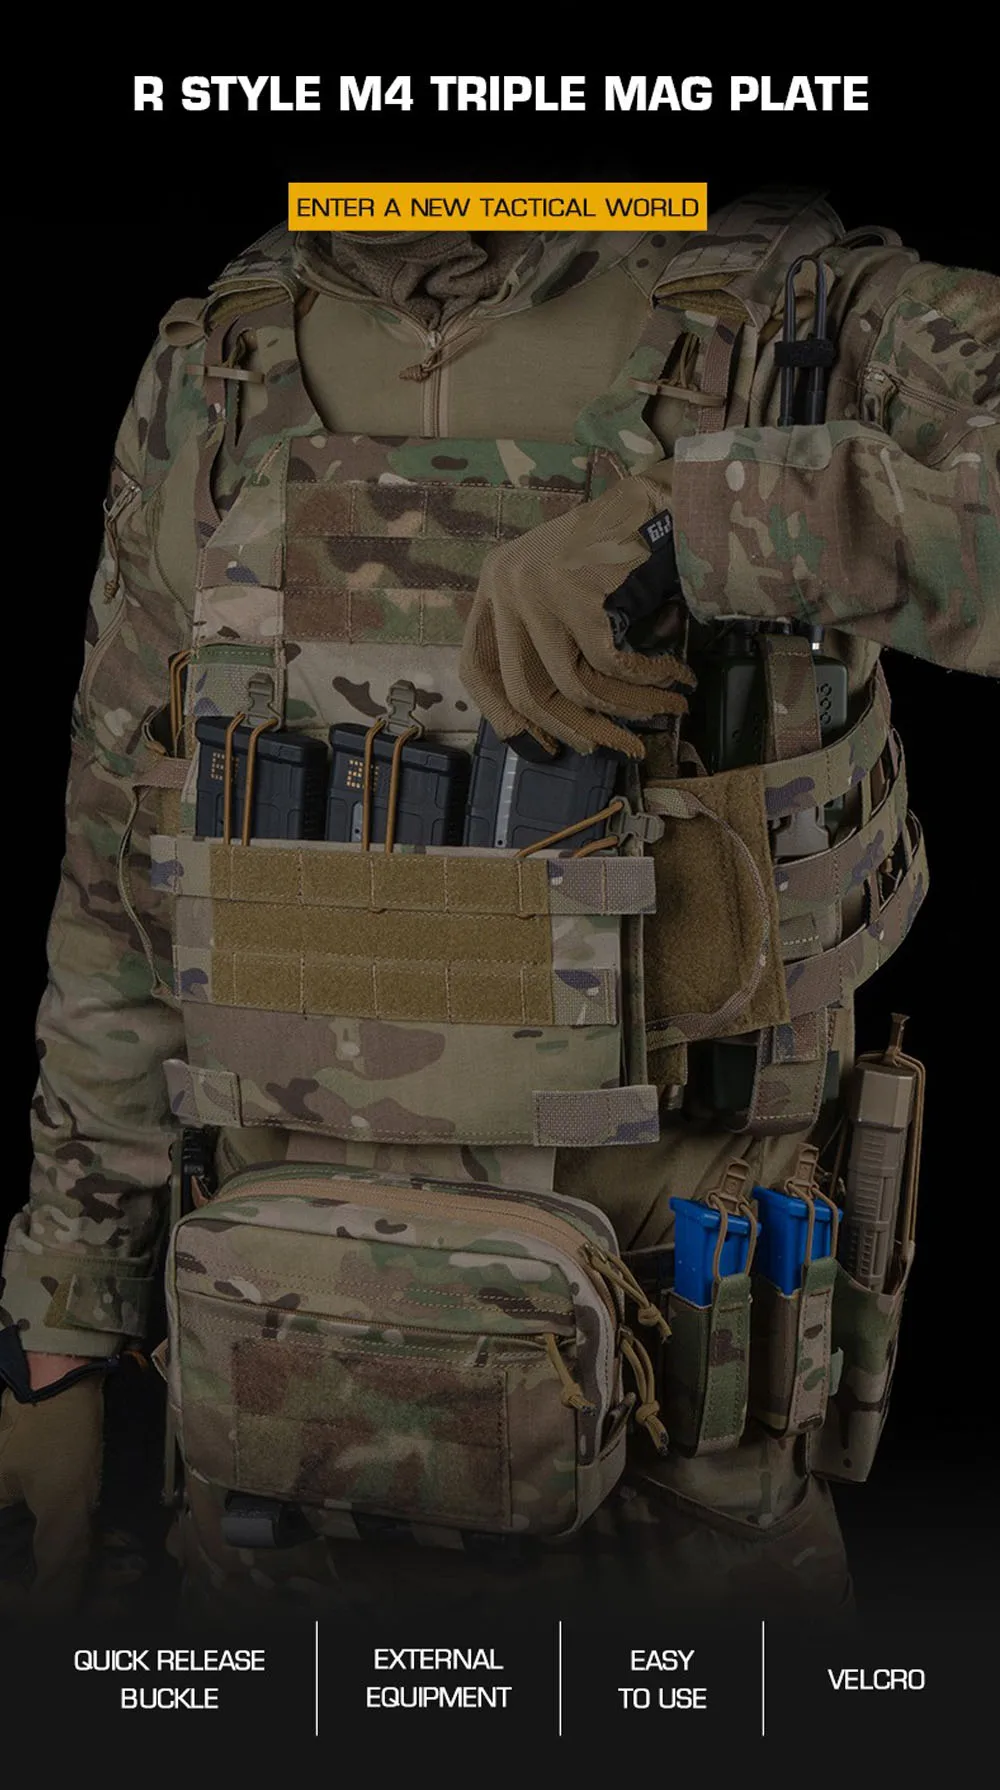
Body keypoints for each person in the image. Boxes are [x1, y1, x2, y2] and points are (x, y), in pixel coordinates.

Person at [1, 194, 997, 1617]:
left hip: (682, 1472)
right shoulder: (216, 362)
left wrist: (690, 523)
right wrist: (62, 1328)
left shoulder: (813, 316)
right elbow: (120, 874)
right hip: (272, 1425)